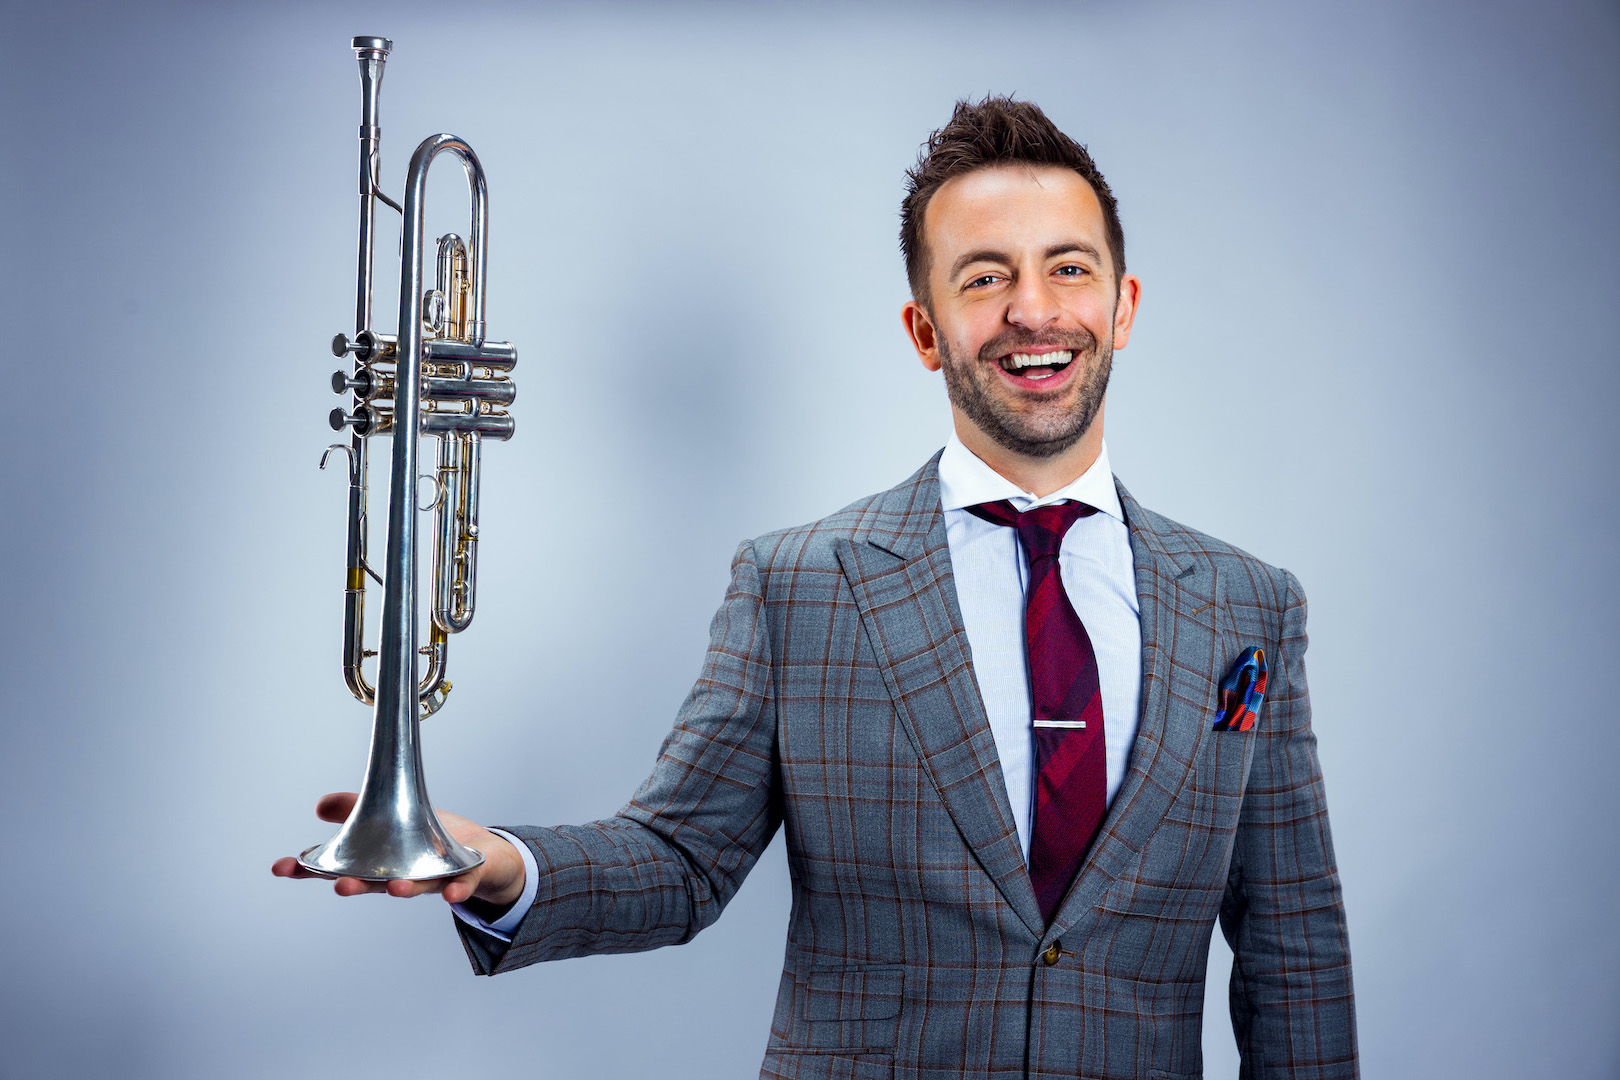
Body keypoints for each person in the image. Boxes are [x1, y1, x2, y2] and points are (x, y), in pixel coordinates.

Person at [275, 96, 1357, 1079]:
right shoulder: (798, 587)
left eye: (1068, 269)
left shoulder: (1248, 608)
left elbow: (1295, 950)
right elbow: (680, 860)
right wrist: (501, 864)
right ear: (925, 330)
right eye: (985, 278)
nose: (1034, 310)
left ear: (1122, 306)